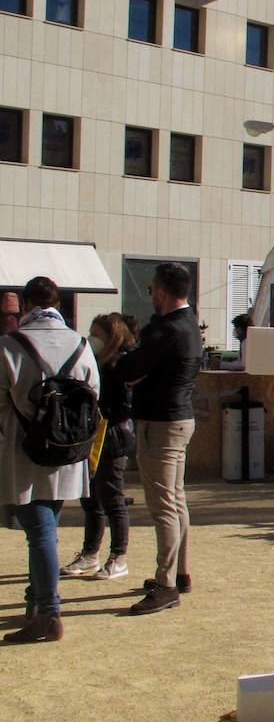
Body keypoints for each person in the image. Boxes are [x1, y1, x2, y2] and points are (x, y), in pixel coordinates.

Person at [0, 276, 100, 642]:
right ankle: (35, 604)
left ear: (26, 305)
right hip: (67, 448)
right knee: (46, 529)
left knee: (41, 532)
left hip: (24, 450)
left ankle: (49, 613)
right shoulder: (81, 344)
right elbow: (93, 395)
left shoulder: (10, 344)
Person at [116, 262, 201, 615]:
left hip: (161, 423)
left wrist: (120, 358)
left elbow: (129, 369)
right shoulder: (189, 324)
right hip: (180, 419)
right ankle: (179, 573)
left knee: (164, 505)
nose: (150, 294)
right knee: (176, 500)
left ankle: (166, 585)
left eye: (151, 289)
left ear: (162, 292)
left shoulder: (166, 329)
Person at [61, 313, 137, 581]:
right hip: (90, 436)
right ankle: (90, 553)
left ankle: (118, 556)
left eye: (97, 334)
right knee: (90, 498)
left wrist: (98, 413)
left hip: (112, 437)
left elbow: (125, 407)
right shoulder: (93, 361)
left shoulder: (120, 365)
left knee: (112, 498)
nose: (91, 338)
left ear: (111, 337)